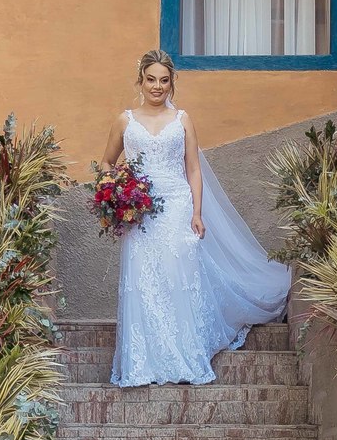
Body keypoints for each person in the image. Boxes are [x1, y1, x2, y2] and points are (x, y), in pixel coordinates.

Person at [99, 49, 291, 387]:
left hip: (177, 205)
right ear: (140, 81)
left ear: (172, 83)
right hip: (139, 211)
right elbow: (106, 163)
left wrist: (198, 212)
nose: (157, 86)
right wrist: (117, 192)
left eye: (164, 80)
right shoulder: (124, 121)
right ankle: (142, 363)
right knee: (144, 280)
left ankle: (184, 357)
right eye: (151, 79)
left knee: (179, 275)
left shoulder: (182, 119)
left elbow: (193, 168)